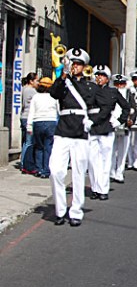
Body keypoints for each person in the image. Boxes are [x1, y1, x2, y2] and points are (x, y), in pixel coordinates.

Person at [49, 48, 97, 226]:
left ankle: (76, 211)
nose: (75, 66)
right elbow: (54, 93)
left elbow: (101, 105)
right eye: (72, 63)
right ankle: (60, 210)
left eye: (78, 64)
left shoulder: (89, 86)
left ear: (84, 66)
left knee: (78, 173)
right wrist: (63, 75)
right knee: (55, 171)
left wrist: (93, 121)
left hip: (80, 132)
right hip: (62, 131)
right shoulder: (63, 83)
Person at [87, 65, 129, 201]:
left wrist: (118, 122)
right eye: (98, 75)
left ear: (107, 78)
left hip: (106, 127)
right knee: (92, 161)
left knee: (105, 160)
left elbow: (126, 107)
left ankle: (103, 189)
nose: (100, 78)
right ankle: (94, 188)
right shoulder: (90, 90)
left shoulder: (113, 92)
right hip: (91, 127)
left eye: (103, 76)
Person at [27, 77, 58, 179]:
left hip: (38, 122)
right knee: (48, 147)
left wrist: (29, 126)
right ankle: (46, 170)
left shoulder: (36, 97)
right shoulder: (54, 97)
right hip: (51, 122)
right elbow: (59, 110)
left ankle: (39, 169)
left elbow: (31, 112)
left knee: (39, 147)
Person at [110, 74, 134, 184]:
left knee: (122, 150)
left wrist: (131, 119)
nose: (119, 86)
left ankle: (119, 172)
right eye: (117, 84)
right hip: (112, 123)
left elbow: (134, 107)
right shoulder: (110, 93)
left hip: (124, 125)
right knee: (111, 150)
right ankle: (111, 172)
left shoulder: (129, 94)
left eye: (121, 84)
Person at [20, 72, 39, 175]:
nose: (38, 83)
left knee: (25, 142)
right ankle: (24, 164)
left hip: (23, 116)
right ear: (31, 81)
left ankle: (23, 162)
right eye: (37, 80)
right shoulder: (32, 91)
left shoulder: (23, 89)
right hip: (28, 117)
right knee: (29, 142)